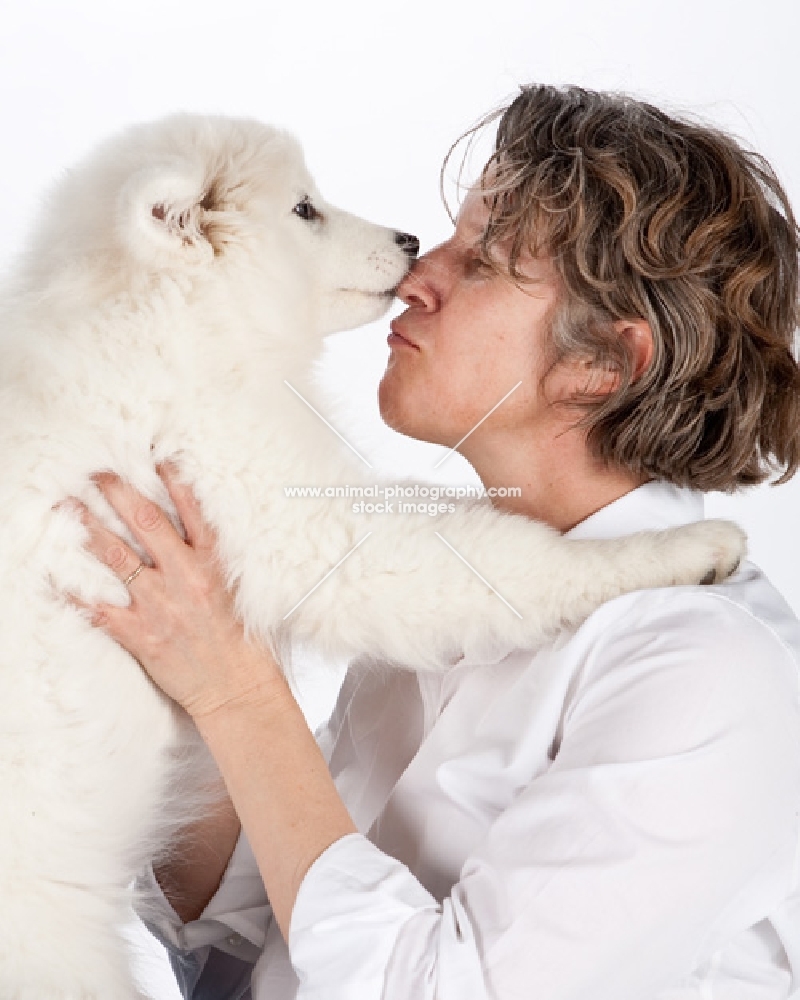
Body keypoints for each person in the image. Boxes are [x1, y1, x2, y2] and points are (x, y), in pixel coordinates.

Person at [77, 85, 800, 998]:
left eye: (486, 261)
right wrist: (166, 651)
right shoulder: (444, 587)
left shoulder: (708, 674)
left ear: (603, 363)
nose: (418, 273)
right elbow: (266, 933)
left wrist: (235, 692)